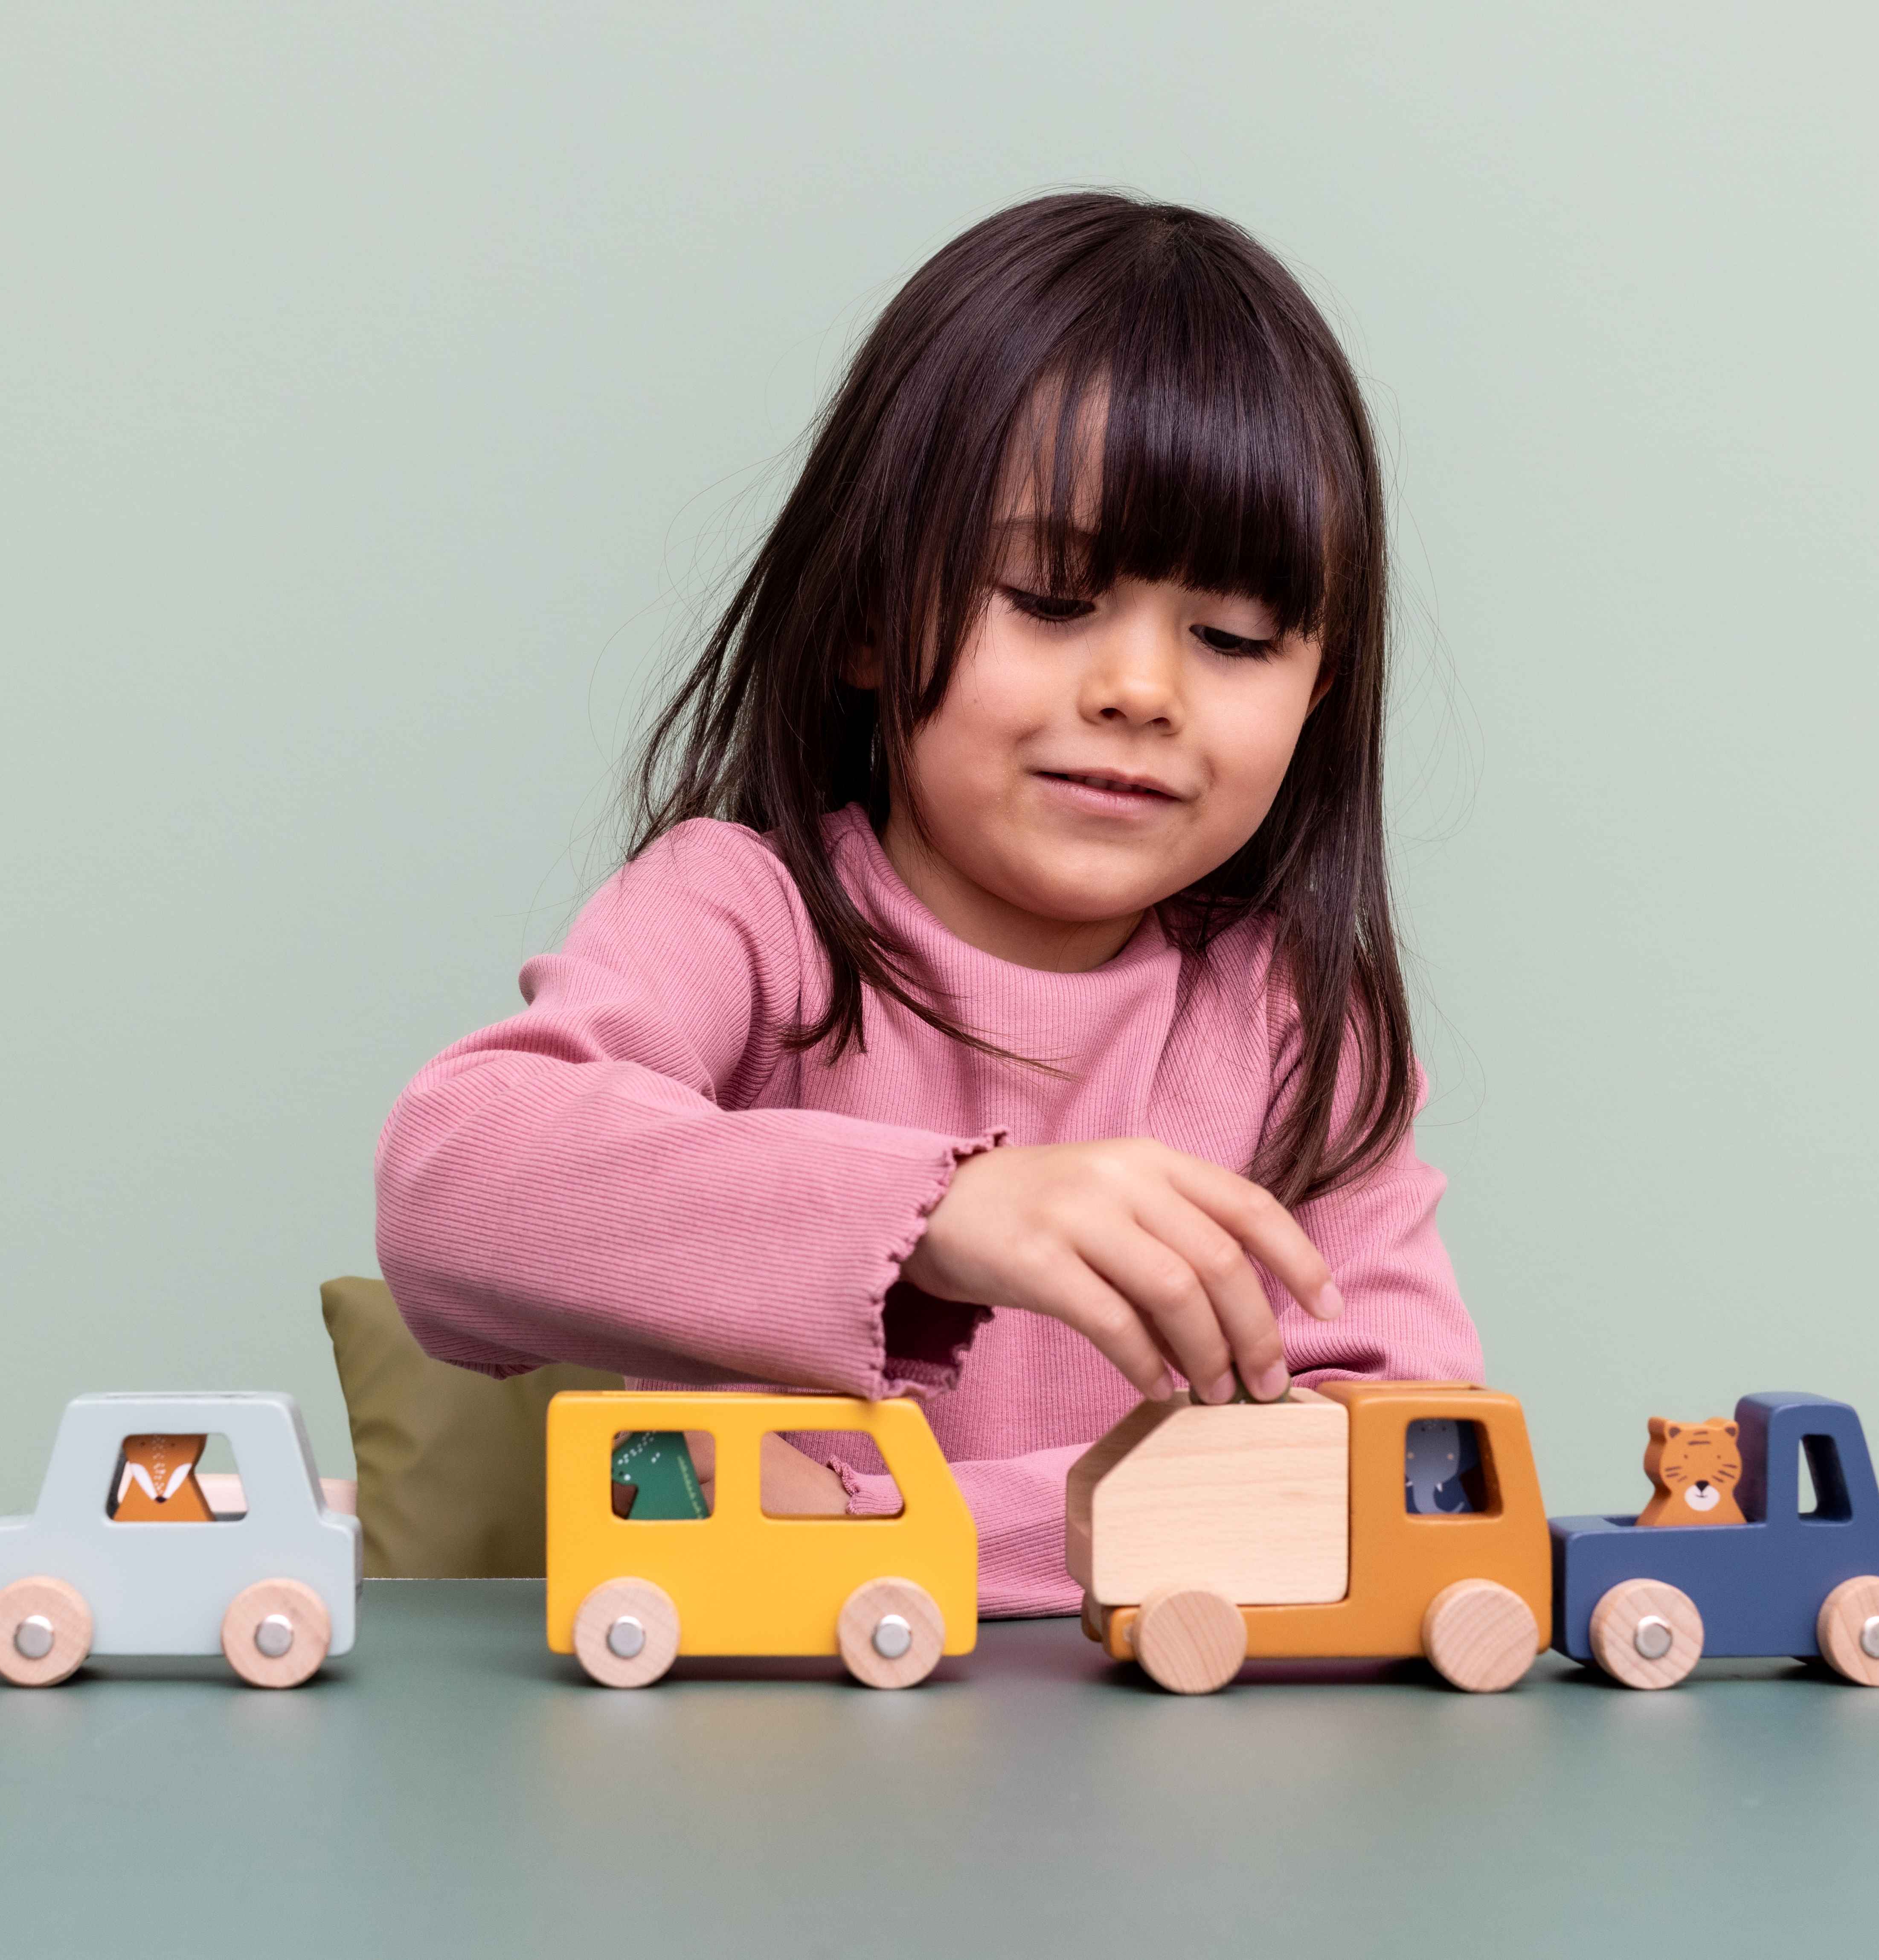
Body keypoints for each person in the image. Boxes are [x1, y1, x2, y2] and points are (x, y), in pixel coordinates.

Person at [375, 190, 1481, 1615]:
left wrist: (867, 1530)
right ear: (862, 616)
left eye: (1233, 637)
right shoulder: (748, 920)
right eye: (1048, 595)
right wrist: (943, 1213)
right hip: (766, 1783)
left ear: (1315, 688)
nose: (1141, 690)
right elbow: (453, 1188)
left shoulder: (1293, 1025)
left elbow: (1400, 1467)